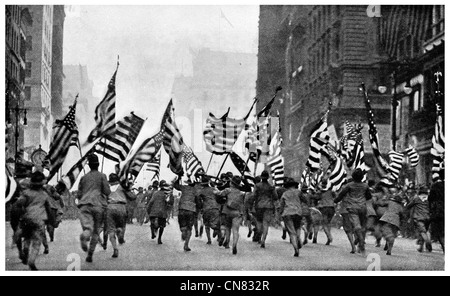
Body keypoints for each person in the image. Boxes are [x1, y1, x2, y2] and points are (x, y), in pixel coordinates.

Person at [14, 171, 52, 270]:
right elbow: (49, 209)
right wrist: (51, 220)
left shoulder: (26, 193)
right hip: (39, 220)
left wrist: (20, 216)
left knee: (27, 237)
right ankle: (31, 260)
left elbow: (19, 205)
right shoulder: (44, 195)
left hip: (26, 219)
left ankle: (25, 249)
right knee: (36, 242)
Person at [77, 154, 111, 263]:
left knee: (88, 228)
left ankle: (85, 235)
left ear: (89, 165)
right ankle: (90, 254)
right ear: (98, 164)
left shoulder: (83, 177)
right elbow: (107, 191)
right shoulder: (102, 176)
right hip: (98, 206)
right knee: (96, 231)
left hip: (85, 205)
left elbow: (79, 194)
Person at [334, 168, 372, 256]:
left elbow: (341, 195)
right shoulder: (365, 186)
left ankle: (361, 242)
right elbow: (369, 197)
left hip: (352, 208)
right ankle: (361, 241)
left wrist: (335, 201)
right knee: (363, 226)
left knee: (356, 226)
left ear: (353, 176)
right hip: (362, 207)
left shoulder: (349, 185)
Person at [105, 173, 136, 258]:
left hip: (110, 207)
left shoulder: (107, 188)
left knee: (111, 230)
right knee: (121, 226)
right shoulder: (122, 187)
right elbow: (133, 197)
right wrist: (130, 189)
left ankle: (115, 248)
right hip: (121, 207)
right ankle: (120, 232)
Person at [214, 176, 246, 255]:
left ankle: (226, 239)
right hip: (237, 213)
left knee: (227, 228)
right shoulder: (241, 193)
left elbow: (219, 194)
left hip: (227, 211)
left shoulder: (228, 190)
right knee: (235, 230)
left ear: (232, 183)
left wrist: (215, 189)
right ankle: (234, 245)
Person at [279, 178, 307, 257]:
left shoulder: (284, 194)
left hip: (287, 213)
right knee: (298, 228)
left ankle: (296, 249)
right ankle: (298, 240)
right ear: (295, 185)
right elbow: (305, 200)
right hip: (298, 213)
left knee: (291, 232)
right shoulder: (299, 192)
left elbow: (281, 206)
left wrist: (280, 213)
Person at [173, 175, 201, 252]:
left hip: (182, 209)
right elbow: (198, 202)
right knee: (189, 228)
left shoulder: (184, 188)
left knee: (182, 225)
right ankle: (186, 245)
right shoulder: (196, 191)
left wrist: (178, 178)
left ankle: (183, 231)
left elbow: (175, 185)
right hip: (191, 210)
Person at [252, 170, 278, 248]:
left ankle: (259, 233)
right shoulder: (271, 187)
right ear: (267, 177)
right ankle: (263, 240)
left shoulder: (257, 185)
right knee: (266, 224)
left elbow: (253, 195)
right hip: (269, 206)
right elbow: (276, 197)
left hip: (259, 206)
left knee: (259, 223)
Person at [406, 185, 432, 253]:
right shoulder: (429, 198)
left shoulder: (416, 198)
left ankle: (428, 242)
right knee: (424, 231)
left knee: (422, 232)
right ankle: (421, 248)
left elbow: (409, 206)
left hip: (419, 218)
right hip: (428, 217)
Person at [147, 180, 174, 244]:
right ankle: (159, 238)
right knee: (162, 226)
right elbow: (170, 203)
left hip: (154, 212)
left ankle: (152, 233)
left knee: (152, 224)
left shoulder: (155, 193)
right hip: (162, 213)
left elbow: (151, 202)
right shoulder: (167, 194)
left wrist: (148, 211)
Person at [379, 190, 405, 255]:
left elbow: (382, 204)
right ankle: (389, 249)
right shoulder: (400, 206)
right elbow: (402, 215)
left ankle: (387, 243)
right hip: (395, 221)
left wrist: (384, 199)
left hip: (386, 218)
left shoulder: (390, 202)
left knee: (387, 232)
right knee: (392, 235)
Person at [197, 176, 222, 245]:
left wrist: (200, 207)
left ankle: (209, 240)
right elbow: (220, 194)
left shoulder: (201, 191)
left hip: (206, 208)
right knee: (215, 224)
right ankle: (218, 233)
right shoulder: (214, 189)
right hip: (215, 207)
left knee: (207, 225)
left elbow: (198, 199)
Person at [315, 179, 336, 245]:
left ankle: (329, 236)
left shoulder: (320, 192)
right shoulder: (331, 191)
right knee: (328, 223)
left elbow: (316, 197)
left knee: (324, 224)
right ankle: (328, 238)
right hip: (332, 208)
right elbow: (335, 196)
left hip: (324, 208)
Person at [429, 169, 445, 252]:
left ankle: (444, 246)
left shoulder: (435, 186)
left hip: (439, 211)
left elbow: (430, 199)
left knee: (439, 231)